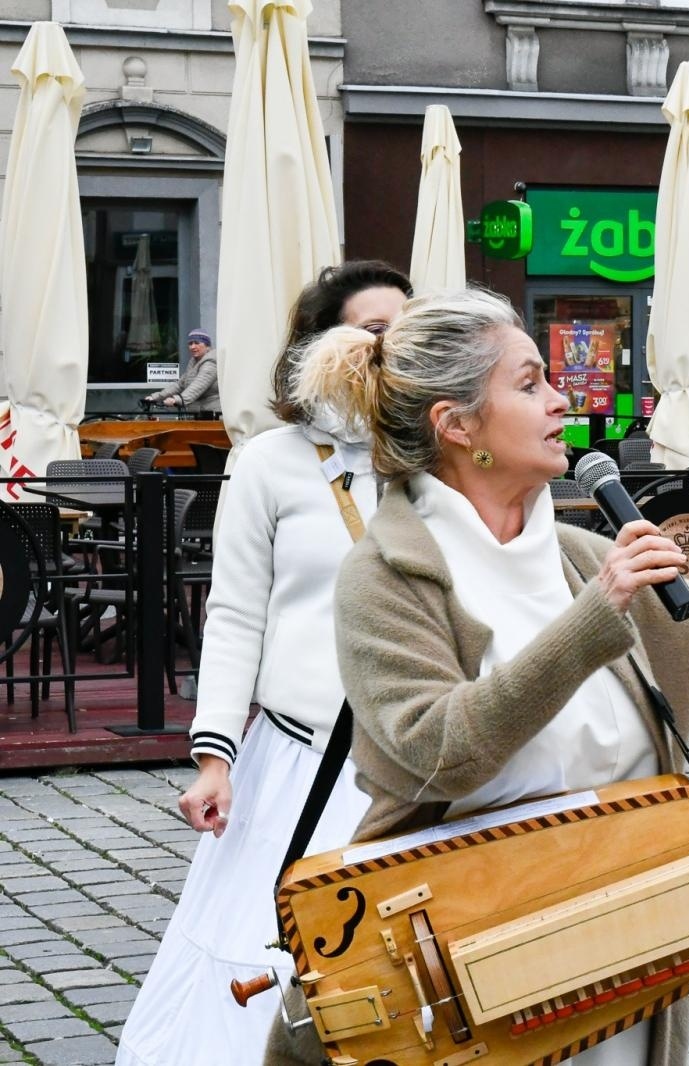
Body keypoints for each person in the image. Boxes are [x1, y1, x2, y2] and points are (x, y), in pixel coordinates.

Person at [263, 287, 689, 1066]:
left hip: (618, 976)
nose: (559, 400)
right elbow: (440, 751)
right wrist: (595, 617)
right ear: (458, 425)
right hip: (467, 993)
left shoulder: (578, 556)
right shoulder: (387, 578)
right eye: (529, 383)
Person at [116, 262, 413, 1066]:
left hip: (414, 765)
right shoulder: (272, 460)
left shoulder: (439, 453)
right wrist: (215, 755)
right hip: (298, 761)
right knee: (263, 966)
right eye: (374, 330)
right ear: (324, 346)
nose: (394, 346)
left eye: (407, 327)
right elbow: (237, 614)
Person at [145, 328, 221, 413]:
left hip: (212, 413)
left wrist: (177, 399)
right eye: (190, 343)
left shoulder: (211, 362)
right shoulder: (194, 361)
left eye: (197, 343)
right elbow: (180, 384)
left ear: (207, 346)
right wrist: (156, 397)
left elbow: (198, 385)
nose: (192, 347)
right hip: (200, 411)